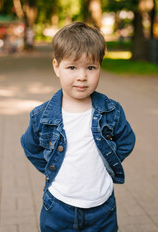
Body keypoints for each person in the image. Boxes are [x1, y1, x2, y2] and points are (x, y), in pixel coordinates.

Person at [21, 22, 135, 232]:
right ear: (57, 67)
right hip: (58, 206)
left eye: (90, 68)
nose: (82, 76)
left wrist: (106, 162)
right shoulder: (42, 116)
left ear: (100, 67)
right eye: (72, 67)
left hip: (102, 209)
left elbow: (126, 140)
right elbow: (31, 147)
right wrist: (53, 169)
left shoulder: (111, 111)